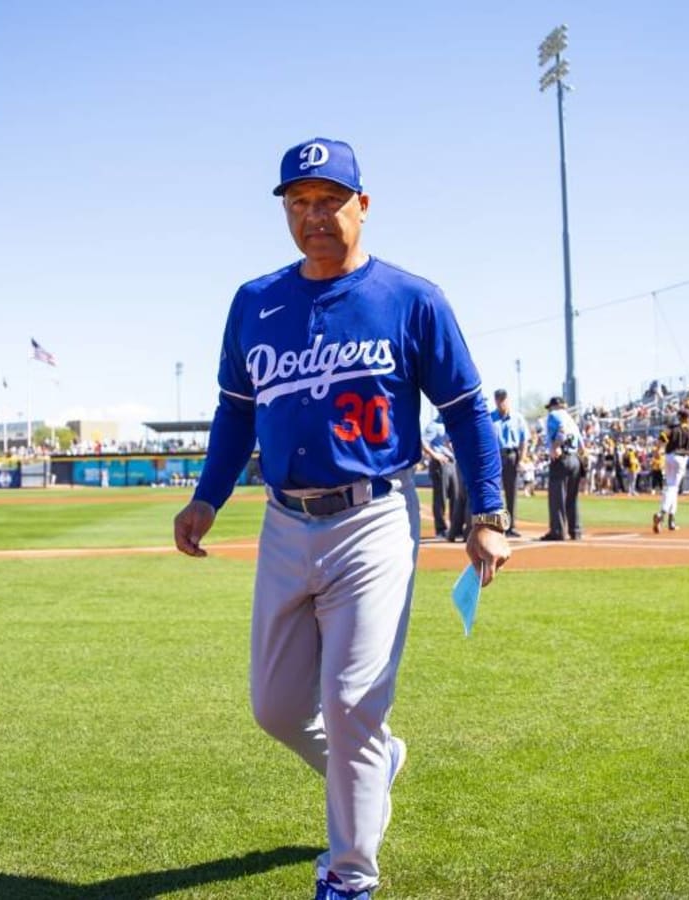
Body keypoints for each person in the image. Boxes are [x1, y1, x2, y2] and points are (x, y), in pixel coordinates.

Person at [172, 137, 511, 900]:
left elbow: (465, 413)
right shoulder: (254, 301)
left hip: (374, 517)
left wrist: (486, 514)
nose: (314, 216)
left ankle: (350, 875)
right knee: (276, 707)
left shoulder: (412, 299)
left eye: (329, 201)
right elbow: (234, 414)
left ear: (363, 205)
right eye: (299, 202)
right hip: (284, 523)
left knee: (353, 702)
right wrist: (207, 496)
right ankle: (376, 762)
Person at [653, 409, 689, 533]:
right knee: (673, 488)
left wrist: (657, 450)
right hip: (681, 459)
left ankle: (671, 521)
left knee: (671, 488)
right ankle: (661, 513)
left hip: (669, 457)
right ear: (688, 419)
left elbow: (661, 438)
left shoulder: (672, 428)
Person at [540, 396, 582, 540]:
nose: (549, 410)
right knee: (572, 497)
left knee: (557, 498)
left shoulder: (554, 415)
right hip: (575, 458)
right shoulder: (572, 419)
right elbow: (581, 441)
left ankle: (557, 531)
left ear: (555, 406)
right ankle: (575, 530)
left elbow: (562, 430)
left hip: (561, 458)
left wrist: (555, 446)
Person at [420, 414, 466, 540]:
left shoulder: (451, 422)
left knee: (456, 496)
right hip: (440, 463)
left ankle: (454, 528)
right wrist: (435, 455)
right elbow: (422, 441)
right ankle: (440, 529)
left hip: (453, 462)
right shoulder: (434, 425)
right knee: (440, 497)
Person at [490, 389, 529, 537]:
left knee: (511, 493)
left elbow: (524, 440)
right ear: (495, 401)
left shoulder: (517, 418)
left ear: (508, 400)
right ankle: (497, 525)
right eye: (498, 399)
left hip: (512, 455)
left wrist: (522, 459)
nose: (501, 402)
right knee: (495, 492)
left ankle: (510, 526)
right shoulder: (490, 418)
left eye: (503, 399)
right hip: (496, 456)